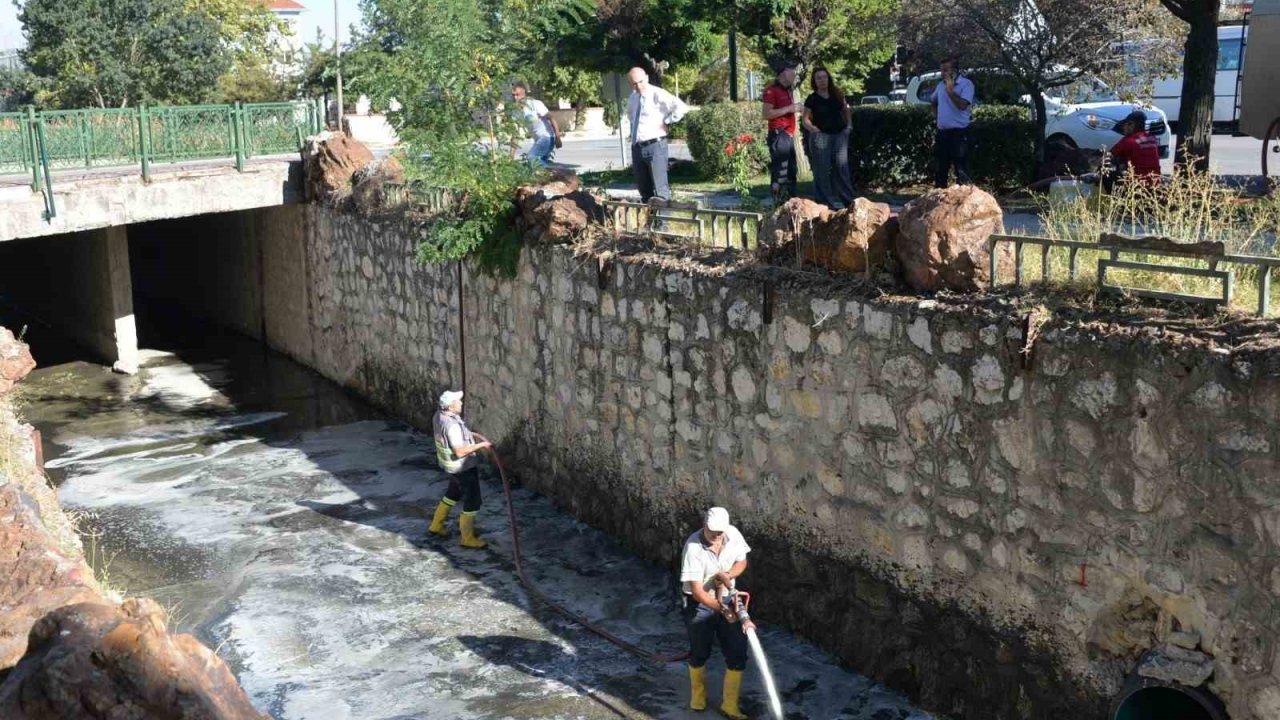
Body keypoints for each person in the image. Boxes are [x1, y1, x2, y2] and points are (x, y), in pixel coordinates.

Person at [681, 506, 751, 720]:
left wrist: (728, 575)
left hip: (729, 597)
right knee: (700, 651)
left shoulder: (733, 535)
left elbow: (742, 561)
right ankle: (698, 697)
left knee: (738, 651)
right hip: (700, 602)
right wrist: (723, 610)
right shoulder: (693, 547)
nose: (716, 536)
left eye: (720, 532)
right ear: (704, 525)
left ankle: (730, 705)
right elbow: (697, 592)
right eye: (712, 531)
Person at [427, 390, 493, 548]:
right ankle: (467, 538)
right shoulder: (452, 426)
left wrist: (466, 434)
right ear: (450, 406)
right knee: (473, 500)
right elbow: (460, 451)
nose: (461, 403)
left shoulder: (439, 416)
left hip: (451, 466)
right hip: (462, 467)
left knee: (453, 493)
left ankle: (436, 526)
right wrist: (483, 445)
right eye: (458, 401)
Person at [626, 67, 690, 203]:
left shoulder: (657, 94)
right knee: (644, 190)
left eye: (641, 82)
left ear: (647, 78)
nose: (638, 86)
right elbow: (631, 117)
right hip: (637, 148)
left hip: (655, 146)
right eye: (634, 84)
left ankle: (663, 224)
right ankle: (650, 222)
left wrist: (667, 121)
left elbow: (682, 107)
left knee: (660, 189)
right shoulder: (633, 97)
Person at [803, 66, 855, 209]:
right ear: (814, 81)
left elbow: (846, 110)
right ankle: (824, 203)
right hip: (821, 137)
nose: (822, 80)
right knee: (822, 170)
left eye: (824, 77)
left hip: (839, 135)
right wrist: (813, 129)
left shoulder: (837, 94)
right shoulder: (812, 98)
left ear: (828, 78)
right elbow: (805, 119)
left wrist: (849, 126)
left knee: (841, 167)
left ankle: (848, 201)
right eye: (818, 78)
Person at [930, 56, 975, 187]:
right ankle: (939, 200)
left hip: (959, 133)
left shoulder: (966, 84)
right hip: (942, 132)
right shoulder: (940, 85)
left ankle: (963, 200)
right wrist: (937, 116)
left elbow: (962, 105)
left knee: (960, 169)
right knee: (940, 169)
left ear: (954, 71)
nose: (942, 73)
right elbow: (933, 101)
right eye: (941, 70)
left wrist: (950, 91)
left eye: (945, 70)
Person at [762, 63, 803, 201]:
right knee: (781, 170)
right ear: (783, 73)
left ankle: (790, 203)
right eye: (792, 72)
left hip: (788, 135)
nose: (794, 75)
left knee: (791, 170)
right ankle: (778, 203)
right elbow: (766, 114)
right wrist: (790, 108)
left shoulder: (787, 90)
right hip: (779, 134)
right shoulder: (771, 91)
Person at [1102, 109, 1161, 191]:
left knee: (1106, 175)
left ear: (1131, 125)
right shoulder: (1152, 139)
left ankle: (1116, 200)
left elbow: (1108, 157)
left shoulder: (1128, 140)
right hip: (1155, 182)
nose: (1123, 128)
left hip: (1137, 184)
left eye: (1125, 125)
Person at [512, 82, 561, 169]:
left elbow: (551, 118)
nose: (515, 98)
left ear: (523, 93)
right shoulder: (516, 112)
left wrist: (558, 137)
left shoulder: (535, 104)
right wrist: (511, 155)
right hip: (538, 140)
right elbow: (515, 135)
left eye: (517, 95)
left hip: (547, 137)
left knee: (531, 158)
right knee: (538, 165)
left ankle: (556, 174)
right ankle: (556, 177)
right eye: (513, 95)